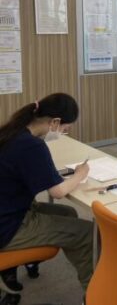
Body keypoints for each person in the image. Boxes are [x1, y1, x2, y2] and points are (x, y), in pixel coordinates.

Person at [0, 93, 93, 295]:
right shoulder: (32, 145)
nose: (63, 133)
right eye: (65, 129)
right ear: (55, 122)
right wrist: (80, 174)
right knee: (87, 233)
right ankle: (94, 295)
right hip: (8, 226)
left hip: (8, 209)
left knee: (69, 213)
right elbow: (57, 191)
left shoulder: (14, 131)